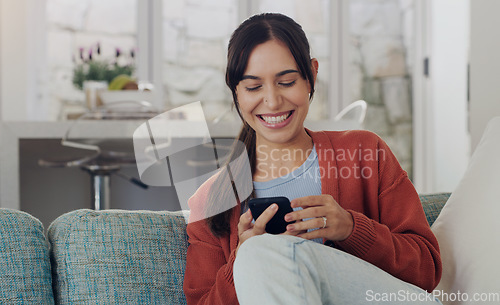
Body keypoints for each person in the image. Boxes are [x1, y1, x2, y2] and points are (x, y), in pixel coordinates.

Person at [183, 13, 442, 305]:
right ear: (236, 92)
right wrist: (242, 260)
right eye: (253, 87)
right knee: (257, 254)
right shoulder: (210, 201)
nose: (272, 101)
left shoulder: (365, 152)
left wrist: (351, 228)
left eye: (287, 81)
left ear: (312, 76)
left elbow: (427, 271)